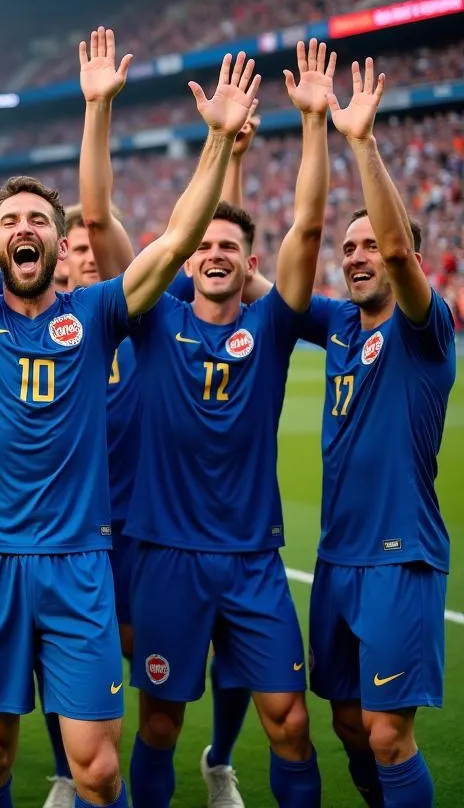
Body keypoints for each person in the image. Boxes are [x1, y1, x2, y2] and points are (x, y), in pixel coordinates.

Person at [0, 16, 256, 808]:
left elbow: (171, 248)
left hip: (77, 566)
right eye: (9, 224)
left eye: (39, 222)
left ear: (60, 246)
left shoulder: (97, 312)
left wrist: (218, 143)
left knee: (97, 768)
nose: (24, 231)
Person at [117, 39, 336, 808]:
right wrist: (217, 143)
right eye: (204, 245)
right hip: (167, 556)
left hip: (251, 559)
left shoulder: (273, 325)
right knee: (159, 725)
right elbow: (154, 235)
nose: (215, 255)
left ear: (249, 264)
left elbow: (306, 229)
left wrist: (314, 124)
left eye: (231, 248)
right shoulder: (150, 320)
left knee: (289, 723)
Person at [298, 59, 455, 808]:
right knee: (352, 728)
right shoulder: (334, 326)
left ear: (408, 262)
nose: (358, 256)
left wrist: (358, 142)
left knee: (390, 734)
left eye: (371, 247)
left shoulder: (427, 329)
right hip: (336, 558)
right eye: (349, 248)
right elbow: (246, 284)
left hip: (401, 556)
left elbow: (397, 249)